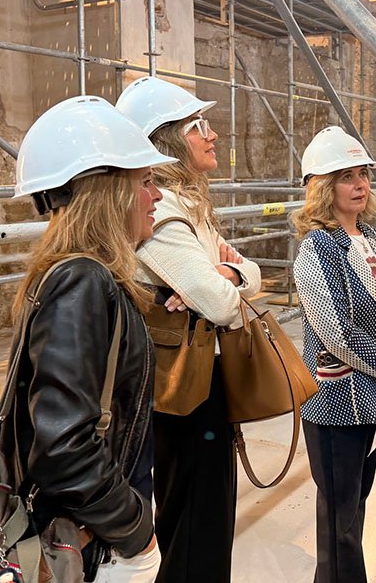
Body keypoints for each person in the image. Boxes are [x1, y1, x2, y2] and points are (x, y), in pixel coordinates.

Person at [10, 95, 176, 581]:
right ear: (110, 193)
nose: (157, 195)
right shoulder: (82, 282)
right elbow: (64, 446)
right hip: (92, 541)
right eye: (145, 182)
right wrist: (136, 531)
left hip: (96, 529)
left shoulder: (83, 278)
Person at [115, 75, 262, 583]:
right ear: (169, 140)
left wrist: (225, 273)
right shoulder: (164, 212)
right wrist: (221, 282)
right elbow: (223, 306)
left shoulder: (188, 207)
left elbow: (251, 275)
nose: (213, 134)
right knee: (196, 520)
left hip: (201, 381)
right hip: (181, 389)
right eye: (200, 125)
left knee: (207, 516)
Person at [291, 126, 376, 583]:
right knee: (339, 519)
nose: (360, 184)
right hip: (336, 405)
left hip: (374, 399)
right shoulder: (316, 249)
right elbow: (337, 333)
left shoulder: (369, 239)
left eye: (363, 173)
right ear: (324, 187)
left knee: (354, 507)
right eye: (346, 176)